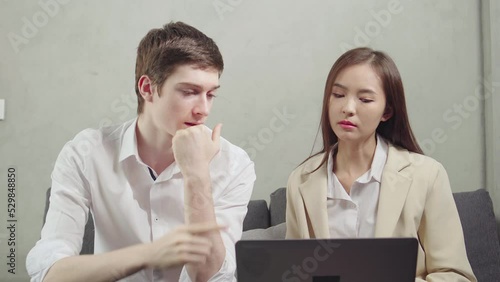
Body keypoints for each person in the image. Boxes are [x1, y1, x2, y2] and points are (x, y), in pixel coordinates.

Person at [26, 21, 255, 282]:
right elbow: (48, 273)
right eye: (190, 92)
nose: (204, 109)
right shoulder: (86, 153)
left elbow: (208, 275)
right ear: (147, 88)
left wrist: (197, 174)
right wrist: (149, 254)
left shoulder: (234, 163)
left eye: (211, 94)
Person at [285, 47, 476, 281]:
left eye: (364, 99)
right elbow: (293, 273)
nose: (348, 108)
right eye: (338, 95)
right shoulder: (301, 180)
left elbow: (457, 275)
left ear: (387, 111)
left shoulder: (427, 175)